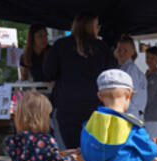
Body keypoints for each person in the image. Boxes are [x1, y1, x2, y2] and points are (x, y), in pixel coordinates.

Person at [43, 13, 116, 149]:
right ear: (91, 27)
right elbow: (112, 75)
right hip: (95, 106)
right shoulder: (102, 48)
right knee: (95, 151)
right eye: (96, 26)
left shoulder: (60, 45)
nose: (98, 29)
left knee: (72, 152)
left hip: (67, 105)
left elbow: (48, 72)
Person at [81, 69, 157, 161]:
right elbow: (150, 153)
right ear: (129, 94)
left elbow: (86, 155)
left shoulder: (89, 126)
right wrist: (155, 146)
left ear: (99, 96)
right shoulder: (132, 126)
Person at [4, 91, 77, 161]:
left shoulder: (14, 140)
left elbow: (34, 157)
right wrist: (71, 158)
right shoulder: (46, 140)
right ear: (42, 117)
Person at [114, 35, 147, 121]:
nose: (121, 53)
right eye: (119, 50)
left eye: (125, 51)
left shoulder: (131, 70)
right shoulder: (121, 68)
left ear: (132, 52)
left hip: (130, 115)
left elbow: (130, 93)